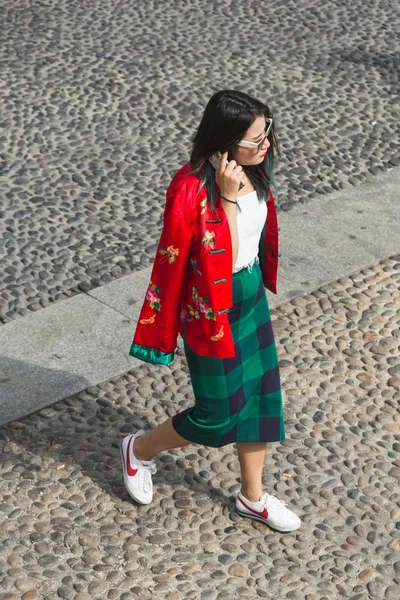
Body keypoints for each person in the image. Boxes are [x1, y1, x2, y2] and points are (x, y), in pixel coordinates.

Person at [121, 90, 301, 533]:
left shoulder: (255, 170)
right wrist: (226, 199)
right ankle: (139, 449)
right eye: (255, 140)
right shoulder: (190, 187)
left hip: (248, 294)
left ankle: (252, 497)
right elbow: (216, 258)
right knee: (217, 411)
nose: (266, 146)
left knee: (260, 399)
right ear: (225, 142)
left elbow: (252, 250)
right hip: (210, 306)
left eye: (268, 134)